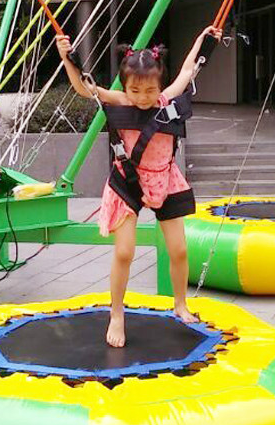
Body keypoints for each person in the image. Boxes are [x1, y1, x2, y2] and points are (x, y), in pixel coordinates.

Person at [57, 26, 221, 347]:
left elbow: (189, 69)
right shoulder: (118, 100)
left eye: (149, 91)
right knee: (124, 251)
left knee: (180, 249)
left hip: (165, 177)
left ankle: (180, 303)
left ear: (159, 86)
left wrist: (204, 39)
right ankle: (116, 313)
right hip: (127, 181)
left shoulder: (166, 99)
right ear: (126, 85)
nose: (142, 98)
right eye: (135, 90)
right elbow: (82, 86)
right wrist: (67, 58)